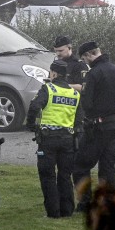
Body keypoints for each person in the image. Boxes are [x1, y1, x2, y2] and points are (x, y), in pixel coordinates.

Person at [72, 40, 115, 211]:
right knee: (107, 166)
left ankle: (85, 202)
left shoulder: (93, 74)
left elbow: (87, 103)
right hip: (114, 123)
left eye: (84, 58)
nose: (85, 62)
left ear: (88, 55)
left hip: (96, 126)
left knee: (80, 165)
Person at [26, 59, 80, 218]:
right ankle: (67, 210)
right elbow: (78, 118)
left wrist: (31, 125)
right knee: (65, 175)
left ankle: (53, 212)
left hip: (48, 139)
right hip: (67, 139)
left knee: (47, 175)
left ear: (54, 74)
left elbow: (35, 106)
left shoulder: (47, 89)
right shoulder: (74, 93)